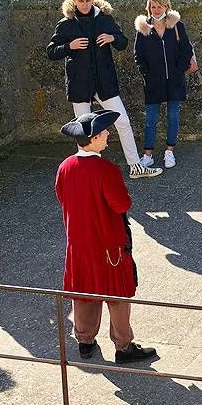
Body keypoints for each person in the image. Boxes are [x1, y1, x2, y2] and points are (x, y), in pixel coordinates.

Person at [55, 110, 158, 364]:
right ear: (93, 139)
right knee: (117, 295)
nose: (108, 135)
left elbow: (61, 196)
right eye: (103, 133)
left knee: (84, 292)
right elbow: (121, 204)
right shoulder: (105, 169)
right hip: (108, 244)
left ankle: (85, 341)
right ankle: (124, 346)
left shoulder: (65, 167)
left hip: (78, 243)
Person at [47, 0, 161, 180]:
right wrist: (69, 46)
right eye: (81, 1)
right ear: (74, 0)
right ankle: (85, 176)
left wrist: (112, 38)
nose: (84, 5)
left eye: (88, 0)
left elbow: (123, 42)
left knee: (123, 122)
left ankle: (135, 166)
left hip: (104, 83)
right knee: (83, 132)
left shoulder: (105, 19)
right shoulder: (66, 24)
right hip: (80, 84)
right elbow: (51, 51)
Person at [134, 0, 193, 170]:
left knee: (173, 117)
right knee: (150, 120)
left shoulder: (177, 26)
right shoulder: (143, 28)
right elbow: (138, 56)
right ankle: (147, 155)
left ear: (167, 7)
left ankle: (169, 152)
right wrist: (147, 74)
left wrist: (179, 70)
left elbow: (186, 50)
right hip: (153, 82)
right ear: (149, 8)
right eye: (153, 6)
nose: (156, 10)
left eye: (160, 6)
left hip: (175, 81)